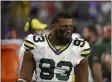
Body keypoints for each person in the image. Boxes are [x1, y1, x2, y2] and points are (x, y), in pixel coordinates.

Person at [17, 12, 90, 82]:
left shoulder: (78, 48)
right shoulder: (35, 44)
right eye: (64, 27)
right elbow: (24, 79)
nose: (68, 30)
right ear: (53, 27)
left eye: (70, 27)